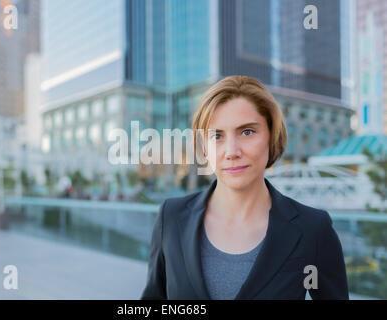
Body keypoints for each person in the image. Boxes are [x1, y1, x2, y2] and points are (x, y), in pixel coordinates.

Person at [140, 75, 349, 300]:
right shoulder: (171, 218)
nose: (231, 151)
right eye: (216, 135)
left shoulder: (313, 229)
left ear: (272, 137)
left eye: (247, 132)